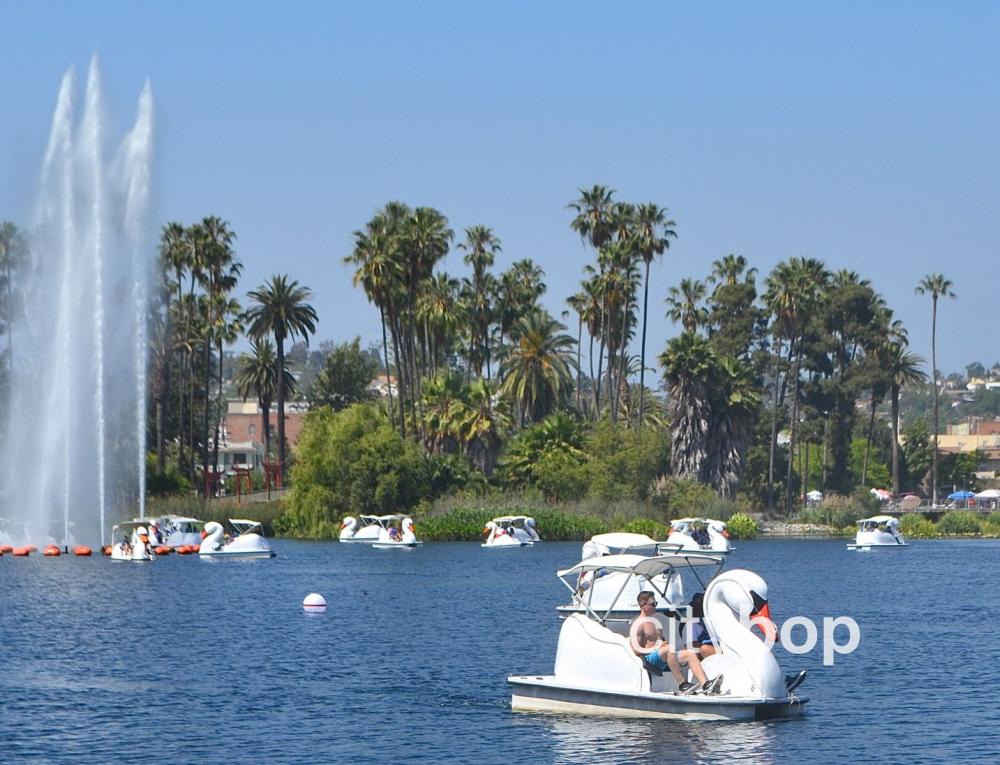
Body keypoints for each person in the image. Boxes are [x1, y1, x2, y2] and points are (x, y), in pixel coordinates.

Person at [629, 591, 719, 694]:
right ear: (643, 605)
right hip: (649, 659)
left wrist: (663, 644)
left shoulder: (655, 622)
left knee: (690, 654)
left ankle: (705, 684)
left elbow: (661, 643)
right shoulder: (638, 624)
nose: (655, 607)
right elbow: (635, 650)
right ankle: (682, 684)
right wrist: (656, 648)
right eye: (653, 604)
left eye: (656, 604)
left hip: (662, 655)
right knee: (670, 649)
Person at [683, 593, 717, 659]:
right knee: (704, 649)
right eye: (698, 605)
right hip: (707, 651)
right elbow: (693, 645)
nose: (700, 608)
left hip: (718, 646)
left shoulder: (712, 620)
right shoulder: (691, 624)